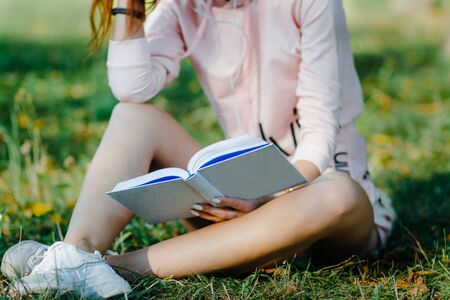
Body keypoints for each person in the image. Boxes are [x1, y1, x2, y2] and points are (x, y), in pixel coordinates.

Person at [1, 0, 396, 298]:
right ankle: (75, 252)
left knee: (339, 192)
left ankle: (108, 268)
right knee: (133, 116)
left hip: (321, 208)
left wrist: (268, 195)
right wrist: (129, 7)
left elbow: (320, 133)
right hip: (241, 211)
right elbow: (131, 88)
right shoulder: (187, 6)